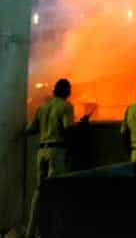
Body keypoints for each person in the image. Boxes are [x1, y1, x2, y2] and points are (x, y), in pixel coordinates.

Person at [24, 78, 76, 238]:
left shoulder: (42, 108)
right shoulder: (66, 107)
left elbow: (30, 129)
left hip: (42, 152)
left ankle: (31, 232)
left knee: (39, 193)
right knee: (58, 192)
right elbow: (67, 129)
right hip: (57, 152)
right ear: (67, 92)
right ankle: (55, 232)